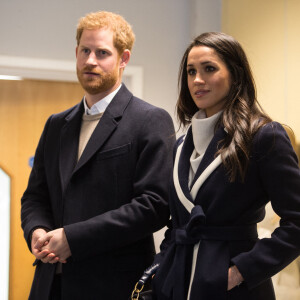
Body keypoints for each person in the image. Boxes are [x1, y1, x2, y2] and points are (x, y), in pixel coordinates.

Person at [21, 11, 175, 300]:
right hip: (49, 285)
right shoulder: (56, 125)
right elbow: (34, 197)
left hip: (113, 286)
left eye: (102, 53)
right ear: (76, 53)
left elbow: (153, 206)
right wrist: (37, 230)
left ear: (123, 59)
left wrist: (73, 239)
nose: (91, 60)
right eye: (85, 51)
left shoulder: (150, 120)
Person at [151, 32, 300, 300]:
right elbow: (177, 224)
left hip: (233, 287)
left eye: (209, 69)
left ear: (235, 74)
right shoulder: (181, 144)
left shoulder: (264, 136)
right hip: (178, 283)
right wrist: (162, 267)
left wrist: (240, 271)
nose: (197, 80)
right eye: (191, 71)